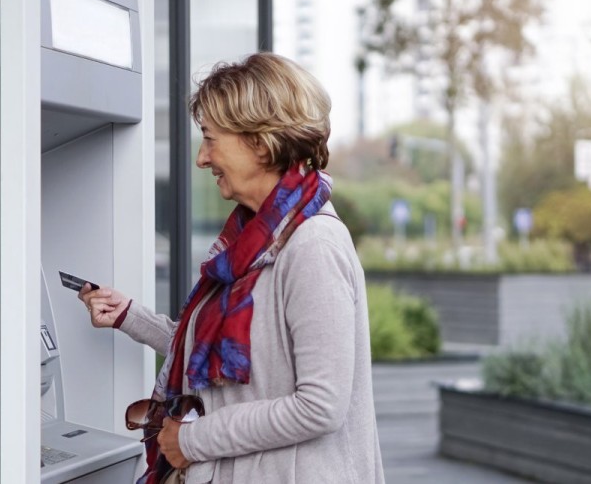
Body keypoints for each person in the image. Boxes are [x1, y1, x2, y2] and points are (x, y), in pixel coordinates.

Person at [79, 52, 384, 484]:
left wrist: (193, 440)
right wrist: (129, 316)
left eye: (210, 138)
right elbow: (228, 359)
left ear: (259, 142)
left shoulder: (312, 246)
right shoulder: (251, 244)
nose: (202, 159)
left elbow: (320, 406)